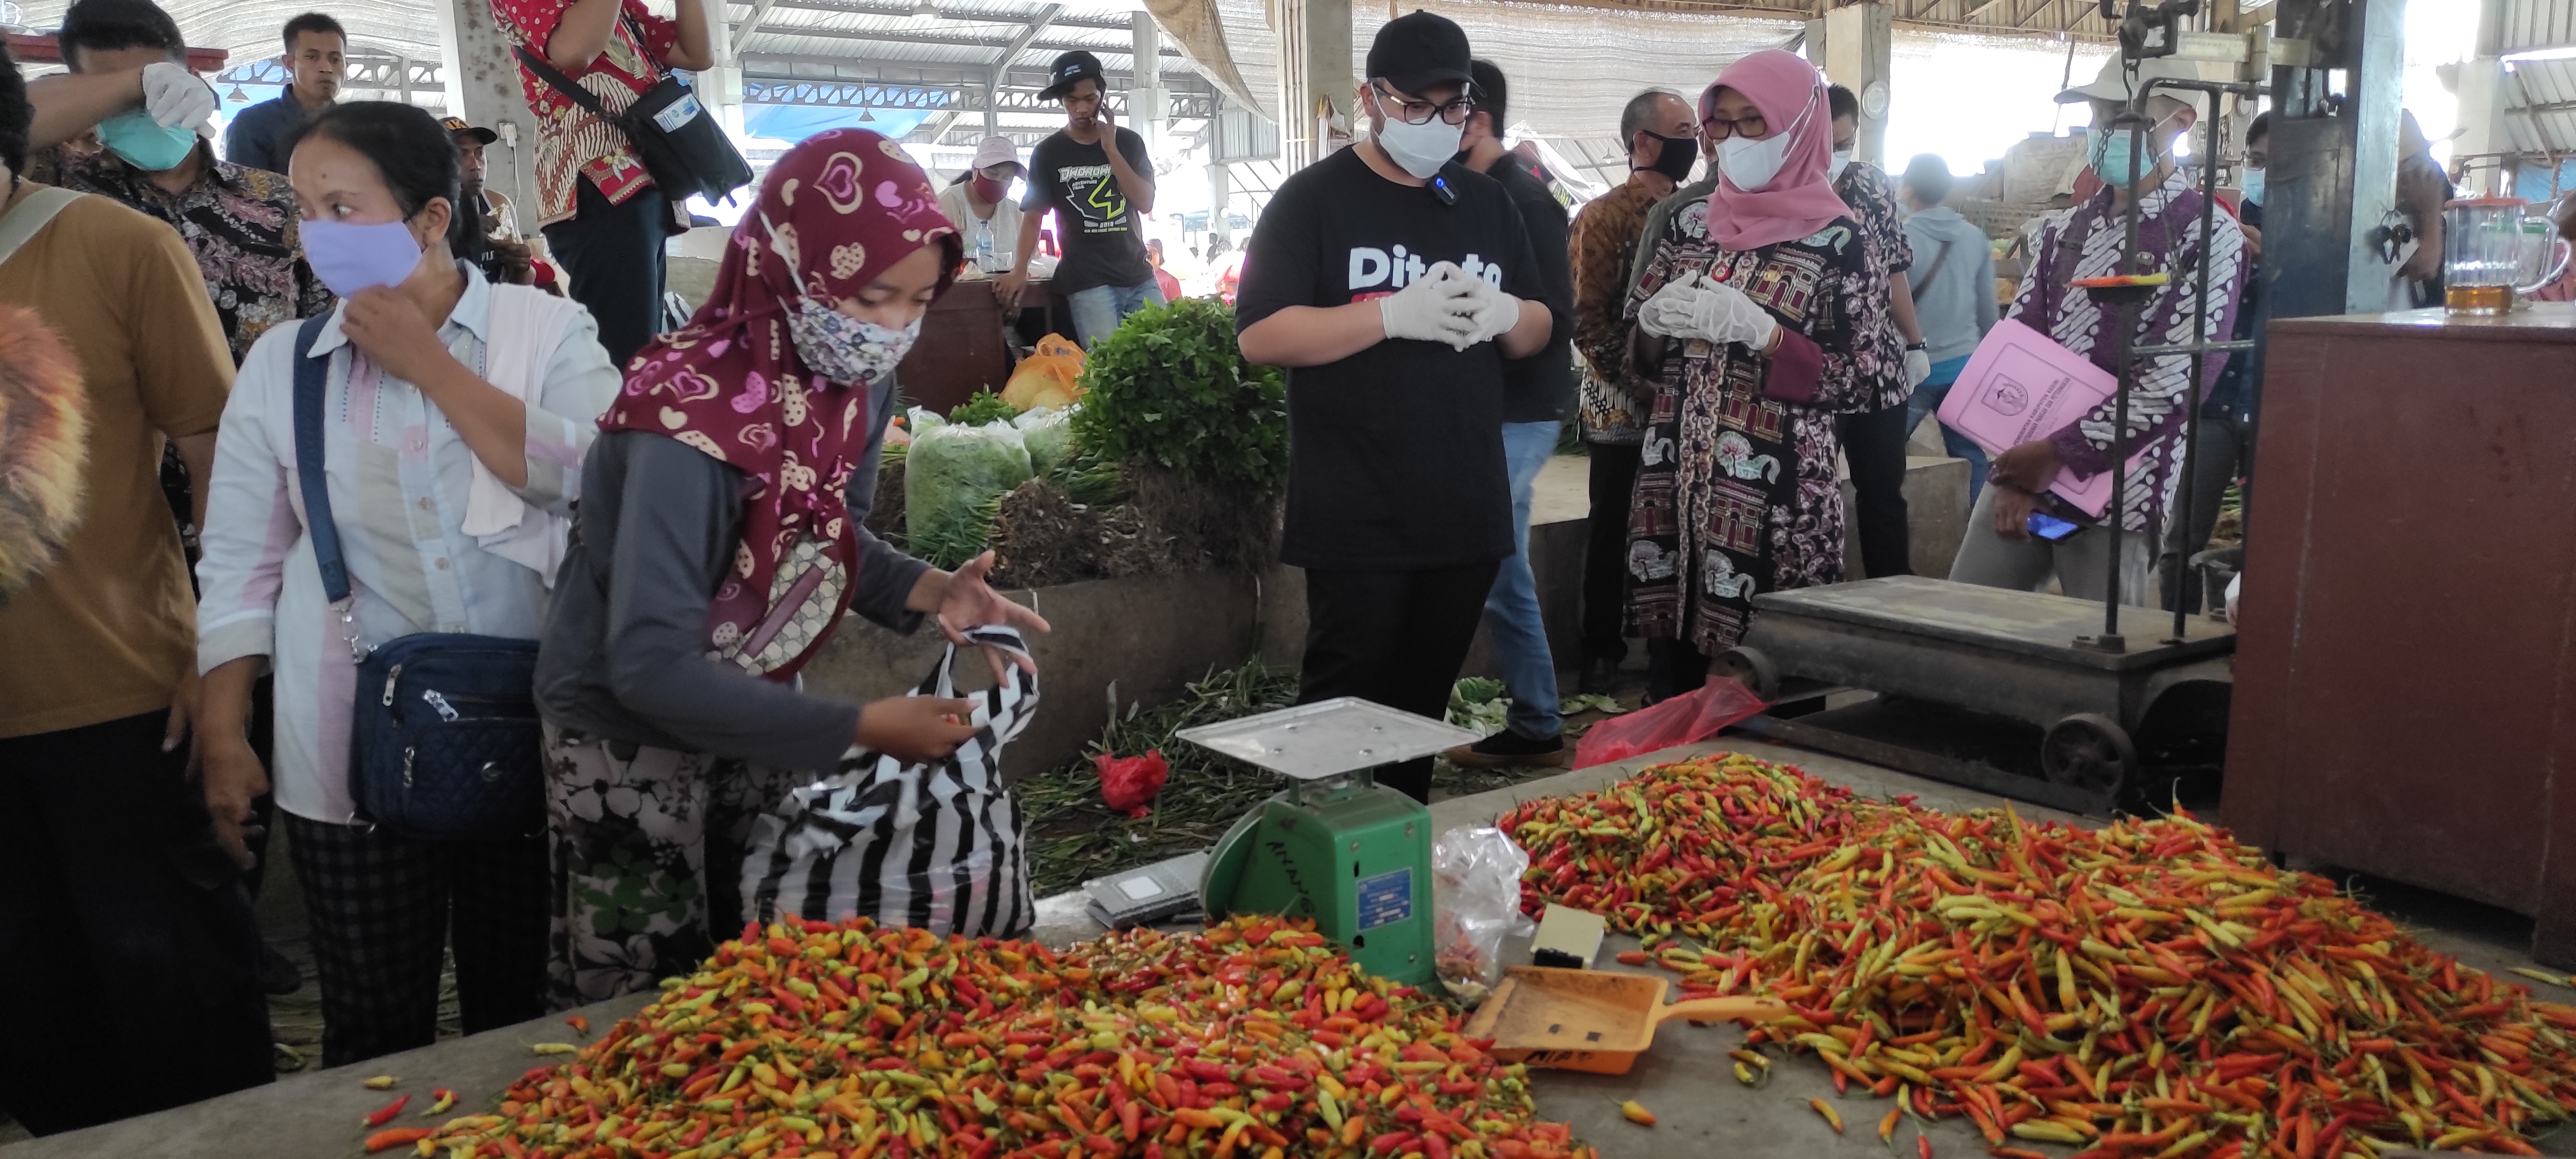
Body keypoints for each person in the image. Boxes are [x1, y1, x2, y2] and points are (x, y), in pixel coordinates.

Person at [533, 129, 1050, 1006]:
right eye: (874, 295)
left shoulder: (852, 380)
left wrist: (932, 591)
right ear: (789, 261)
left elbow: (828, 536)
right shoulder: (685, 415)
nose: (892, 329)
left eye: (919, 300)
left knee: (766, 950)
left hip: (762, 694)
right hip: (628, 729)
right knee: (646, 982)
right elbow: (650, 664)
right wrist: (865, 727)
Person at [191, 101, 620, 1067]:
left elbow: (597, 474)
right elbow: (242, 561)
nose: (319, 235)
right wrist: (225, 728)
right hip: (343, 747)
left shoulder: (545, 329)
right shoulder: (281, 365)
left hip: (528, 732)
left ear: (430, 218)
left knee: (528, 1016)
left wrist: (427, 363)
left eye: (344, 207)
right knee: (374, 1021)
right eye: (304, 210)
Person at [0, 42, 275, 1135]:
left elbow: (224, 462)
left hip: (122, 701)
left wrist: (220, 676)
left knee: (181, 1023)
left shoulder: (116, 245)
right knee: (37, 1034)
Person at [1235, 11, 1558, 803]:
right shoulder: (1313, 200)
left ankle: (1394, 854)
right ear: (1370, 98)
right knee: (1342, 704)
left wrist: (1507, 313)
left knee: (1420, 709)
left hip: (1463, 502)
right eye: (1415, 106)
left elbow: (1543, 327)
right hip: (1359, 506)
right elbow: (1264, 334)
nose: (1435, 122)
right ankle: (1314, 856)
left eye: (1452, 107)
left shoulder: (1487, 204)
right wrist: (1388, 314)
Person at [1621, 52, 1891, 692]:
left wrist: (1769, 337)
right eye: (1723, 124)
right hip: (1675, 489)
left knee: (1768, 698)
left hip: (1776, 501)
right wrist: (1650, 326)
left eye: (1755, 123)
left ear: (1800, 128)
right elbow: (1635, 357)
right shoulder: (1691, 224)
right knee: (1674, 686)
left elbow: (1861, 379)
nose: (1734, 141)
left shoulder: (1842, 241)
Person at [1949, 55, 2245, 604]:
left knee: (2094, 643)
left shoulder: (2204, 236)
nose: (2102, 129)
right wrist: (2016, 475)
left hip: (2116, 500)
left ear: (2178, 124)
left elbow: (2176, 380)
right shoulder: (2064, 231)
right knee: (1971, 617)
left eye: (2122, 116)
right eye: (2096, 114)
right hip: (2027, 495)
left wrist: (2056, 455)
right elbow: (2016, 353)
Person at [35, 0, 333, 365]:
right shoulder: (57, 195)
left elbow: (329, 330)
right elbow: (11, 124)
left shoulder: (281, 200)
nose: (145, 106)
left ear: (193, 79)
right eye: (123, 98)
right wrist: (132, 83)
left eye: (160, 86)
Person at [1443, 57, 1577, 770]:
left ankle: (1537, 723)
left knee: (1495, 564)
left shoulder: (1522, 200)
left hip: (1520, 409)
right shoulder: (1466, 191)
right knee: (1498, 564)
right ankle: (1535, 718)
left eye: (1442, 111)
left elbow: (1556, 316)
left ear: (1477, 117)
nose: (1430, 127)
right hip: (1487, 409)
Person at [490, 0, 713, 367]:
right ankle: (610, 423)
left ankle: (623, 419)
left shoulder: (616, 9)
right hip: (596, 186)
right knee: (621, 360)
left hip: (643, 185)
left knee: (637, 355)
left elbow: (696, 54)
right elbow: (575, 51)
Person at [1569, 88, 1694, 696]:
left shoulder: (1702, 212)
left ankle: (1671, 646)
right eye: (1681, 129)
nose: (1693, 141)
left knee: (1675, 525)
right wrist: (1637, 380)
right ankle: (1599, 650)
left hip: (1685, 397)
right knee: (1611, 522)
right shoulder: (1603, 214)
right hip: (1619, 402)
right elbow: (1585, 316)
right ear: (1642, 142)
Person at [2159, 112, 2266, 610]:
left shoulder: (2326, 241)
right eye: (2257, 160)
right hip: (2213, 402)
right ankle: (2172, 633)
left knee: (2266, 545)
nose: (2264, 171)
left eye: (2277, 163)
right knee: (2182, 539)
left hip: (2275, 407)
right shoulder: (2218, 222)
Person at [1825, 83, 1929, 580]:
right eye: (1827, 145)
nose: (1836, 157)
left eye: (1844, 145)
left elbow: (1894, 271)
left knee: (1884, 493)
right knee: (1811, 497)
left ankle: (1894, 596)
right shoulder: (1773, 189)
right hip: (1814, 377)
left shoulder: (1872, 185)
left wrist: (1915, 343)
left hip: (1880, 373)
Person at [996, 51, 1161, 347]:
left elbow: (1145, 202)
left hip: (1139, 275)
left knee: (1167, 355)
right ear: (1062, 101)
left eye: (1091, 98)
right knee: (1109, 368)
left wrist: (1110, 149)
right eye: (1072, 101)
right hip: (1088, 283)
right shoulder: (1049, 153)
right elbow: (1033, 218)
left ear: (1103, 95)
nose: (1082, 108)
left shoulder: (1128, 143)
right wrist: (1019, 270)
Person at [1895, 153, 1998, 503]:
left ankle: (1899, 525)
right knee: (1970, 453)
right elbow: (1988, 311)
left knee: (1886, 454)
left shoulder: (1899, 239)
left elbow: (1888, 307)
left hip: (1913, 370)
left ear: (1907, 188)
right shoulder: (1974, 238)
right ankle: (1974, 530)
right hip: (1964, 368)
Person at [223, 12, 343, 174]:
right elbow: (246, 196)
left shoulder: (358, 128)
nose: (327, 68)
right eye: (312, 57)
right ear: (290, 63)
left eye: (335, 60)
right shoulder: (252, 125)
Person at [444, 115, 545, 286]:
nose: (476, 165)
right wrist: (467, 234)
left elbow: (519, 285)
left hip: (495, 307)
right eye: (462, 154)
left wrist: (521, 267)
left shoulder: (498, 205)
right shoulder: (426, 214)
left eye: (479, 152)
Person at [937, 133, 1024, 278]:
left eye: (1007, 177)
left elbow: (1028, 260)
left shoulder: (1015, 211)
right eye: (993, 174)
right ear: (975, 170)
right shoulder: (947, 204)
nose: (999, 181)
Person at [2392, 110, 2452, 310]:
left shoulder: (2410, 220)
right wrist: (2431, 208)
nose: (2428, 172)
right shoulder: (2380, 219)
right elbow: (2425, 266)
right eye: (2416, 164)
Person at [1147, 238, 1183, 303]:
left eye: (1153, 252)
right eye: (1147, 252)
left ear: (1160, 255)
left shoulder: (1170, 281)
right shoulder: (1139, 279)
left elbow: (1179, 307)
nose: (1149, 256)